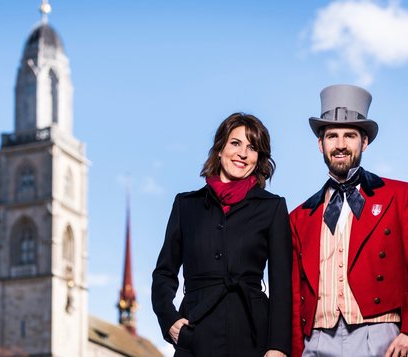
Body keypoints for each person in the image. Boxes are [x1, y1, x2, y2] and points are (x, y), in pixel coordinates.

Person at [152, 113, 292, 357]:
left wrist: (278, 346)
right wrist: (170, 321)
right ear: (219, 149)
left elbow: (282, 284)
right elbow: (164, 272)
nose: (242, 153)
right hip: (195, 332)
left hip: (252, 334)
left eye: (252, 147)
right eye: (235, 143)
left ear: (258, 159)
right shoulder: (186, 205)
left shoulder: (272, 207)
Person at [291, 84, 408, 357]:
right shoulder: (299, 217)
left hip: (380, 335)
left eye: (350, 136)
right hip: (317, 339)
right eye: (332, 136)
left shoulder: (400, 196)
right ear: (321, 144)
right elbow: (294, 295)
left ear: (364, 142)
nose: (340, 145)